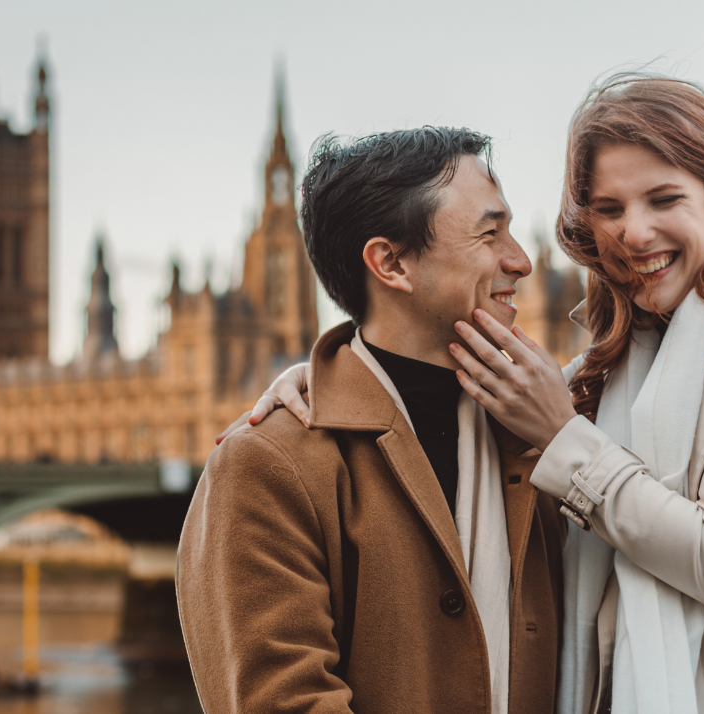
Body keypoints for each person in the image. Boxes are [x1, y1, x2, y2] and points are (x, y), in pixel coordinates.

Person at [231, 74, 704, 714]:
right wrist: (336, 377)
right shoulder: (615, 363)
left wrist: (563, 436)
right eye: (607, 208)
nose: (633, 232)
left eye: (664, 199)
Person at [177, 127, 567, 714]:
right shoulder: (266, 464)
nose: (521, 260)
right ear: (390, 263)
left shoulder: (546, 437)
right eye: (490, 234)